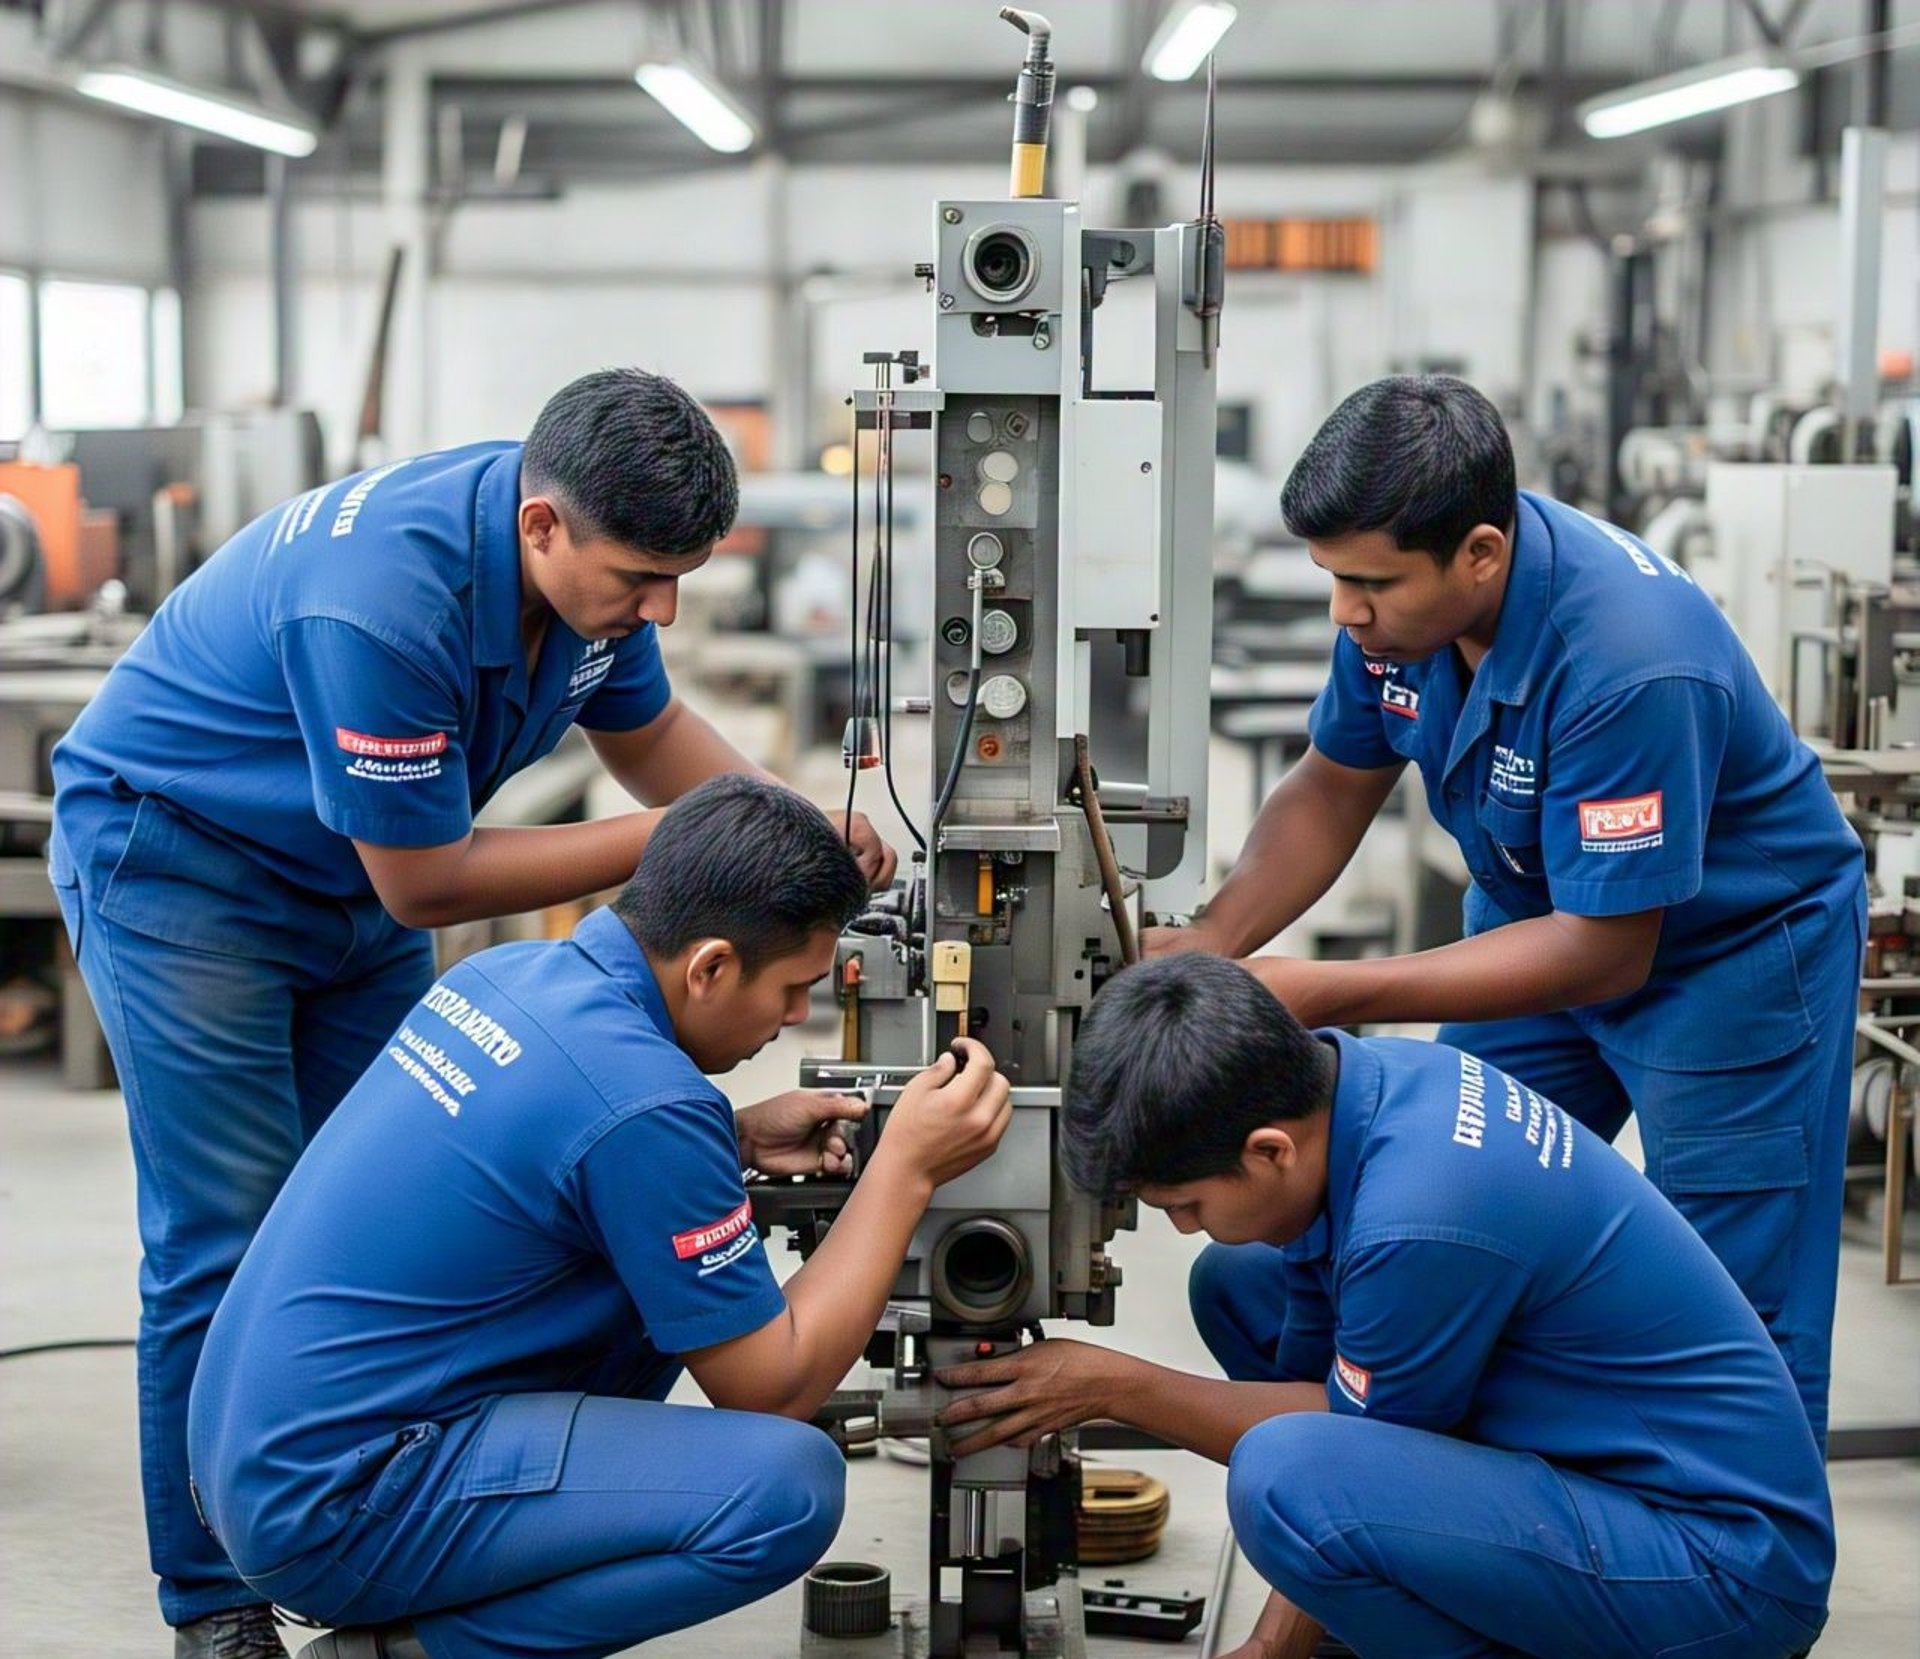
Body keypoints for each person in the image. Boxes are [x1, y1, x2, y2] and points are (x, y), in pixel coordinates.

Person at [48, 368, 896, 1657]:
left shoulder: (589, 548)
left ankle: (459, 1502)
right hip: (188, 870)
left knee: (418, 1186)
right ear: (543, 529)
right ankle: (215, 1605)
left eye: (680, 579)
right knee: (229, 1231)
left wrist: (779, 837)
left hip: (349, 879)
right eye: (639, 582)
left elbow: (651, 724)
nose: (659, 608)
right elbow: (428, 879)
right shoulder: (384, 602)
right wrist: (674, 846)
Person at [1144, 375, 1864, 1445]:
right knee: (1441, 1202)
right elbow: (1335, 783)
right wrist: (1215, 937)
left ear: (1480, 552)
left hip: (1733, 968)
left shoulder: (1628, 659)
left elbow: (1608, 952)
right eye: (1334, 580)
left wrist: (1331, 986)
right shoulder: (1402, 617)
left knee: (1730, 1302)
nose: (1347, 613)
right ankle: (1461, 1505)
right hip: (1540, 929)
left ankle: (1737, 1575)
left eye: (1369, 585)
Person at [187, 776, 1008, 1659]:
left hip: (250, 1458)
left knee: (650, 1289)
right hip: (336, 1510)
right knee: (784, 1489)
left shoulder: (511, 976)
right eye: (793, 988)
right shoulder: (646, 1103)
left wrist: (726, 1139)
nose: (795, 1017)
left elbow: (560, 1154)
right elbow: (773, 1386)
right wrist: (906, 1169)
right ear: (711, 966)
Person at [937, 956, 1834, 1659]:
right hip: (1610, 1476)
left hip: (1719, 1571)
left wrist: (1112, 1386)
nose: (1180, 1226)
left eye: (1186, 1202)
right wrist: (1274, 1642)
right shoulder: (1361, 1082)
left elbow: (1333, 1454)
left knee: (1281, 1476)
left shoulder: (1423, 1214)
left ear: (1268, 1150)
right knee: (1235, 1284)